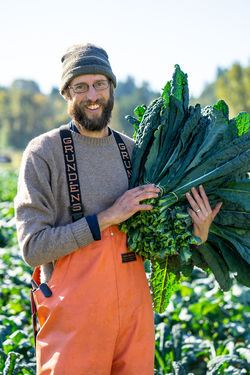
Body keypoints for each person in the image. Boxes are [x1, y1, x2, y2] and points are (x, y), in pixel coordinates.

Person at [14, 43, 222, 375]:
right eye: (80, 87)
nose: (92, 95)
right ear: (66, 94)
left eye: (99, 84)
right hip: (75, 318)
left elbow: (158, 243)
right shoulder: (44, 153)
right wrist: (108, 216)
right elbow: (33, 248)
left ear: (112, 87)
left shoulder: (135, 152)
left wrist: (197, 233)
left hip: (134, 317)